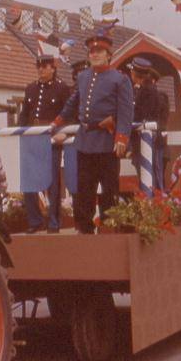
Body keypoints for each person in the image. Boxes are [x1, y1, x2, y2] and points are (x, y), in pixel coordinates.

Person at [52, 30, 133, 234]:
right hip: (85, 140)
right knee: (84, 189)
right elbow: (74, 101)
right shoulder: (83, 76)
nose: (95, 55)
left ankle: (108, 226)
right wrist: (58, 121)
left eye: (99, 51)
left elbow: (126, 111)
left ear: (108, 54)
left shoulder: (119, 79)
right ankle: (84, 228)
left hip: (106, 141)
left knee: (108, 189)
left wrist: (122, 136)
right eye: (92, 52)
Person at [19, 55, 71, 233]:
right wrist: (22, 134)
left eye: (44, 66)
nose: (40, 70)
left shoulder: (62, 88)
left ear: (53, 68)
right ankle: (35, 221)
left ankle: (54, 221)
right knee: (28, 182)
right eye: (38, 66)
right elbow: (25, 115)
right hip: (33, 139)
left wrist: (63, 132)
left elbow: (69, 114)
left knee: (52, 183)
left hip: (52, 140)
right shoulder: (31, 88)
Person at [128, 58, 161, 178]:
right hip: (144, 138)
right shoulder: (146, 89)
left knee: (146, 173)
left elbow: (141, 115)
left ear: (134, 74)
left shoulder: (147, 91)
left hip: (144, 137)